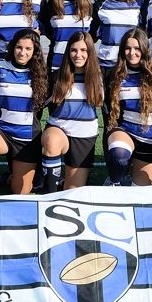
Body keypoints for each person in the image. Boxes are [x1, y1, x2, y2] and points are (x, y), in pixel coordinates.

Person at [0, 29, 49, 204]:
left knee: (19, 193)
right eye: (19, 47)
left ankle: (10, 178)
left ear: (35, 51)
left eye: (28, 49)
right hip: (4, 132)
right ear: (13, 47)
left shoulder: (41, 74)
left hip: (28, 139)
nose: (23, 52)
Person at [40, 31, 104, 193]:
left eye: (83, 50)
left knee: (73, 190)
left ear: (90, 52)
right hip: (59, 128)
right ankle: (49, 194)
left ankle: (62, 181)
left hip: (84, 135)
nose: (78, 55)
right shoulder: (57, 76)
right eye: (74, 50)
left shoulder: (99, 76)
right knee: (52, 141)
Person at [103, 27, 152, 187]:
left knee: (139, 193)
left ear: (145, 49)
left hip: (151, 138)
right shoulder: (114, 74)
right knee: (119, 154)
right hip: (126, 132)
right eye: (128, 48)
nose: (132, 53)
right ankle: (113, 180)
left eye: (137, 48)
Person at [90, 0, 145, 73]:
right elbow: (92, 37)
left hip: (130, 66)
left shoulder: (140, 3)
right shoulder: (100, 5)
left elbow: (144, 35)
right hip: (107, 65)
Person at [40, 0, 94, 72]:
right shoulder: (50, 3)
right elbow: (49, 32)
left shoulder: (91, 4)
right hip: (57, 66)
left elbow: (93, 35)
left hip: (83, 68)